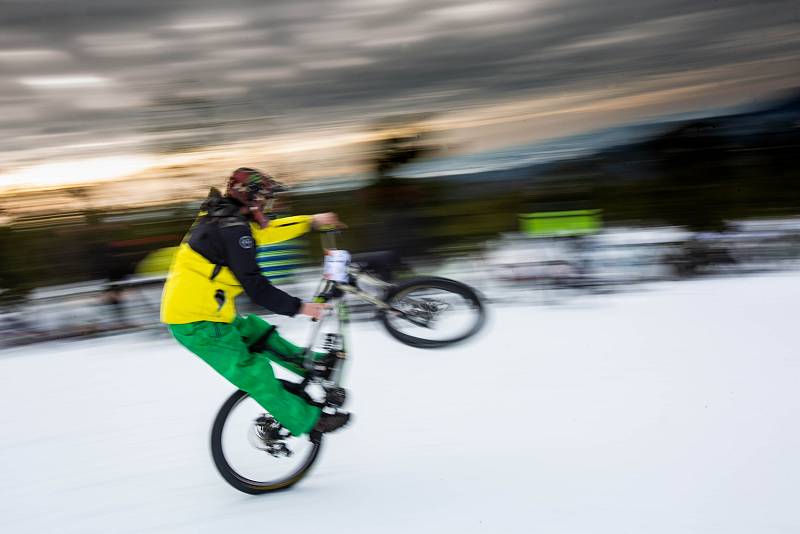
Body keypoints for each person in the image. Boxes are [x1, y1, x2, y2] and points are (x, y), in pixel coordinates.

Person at [161, 167, 350, 437]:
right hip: (195, 323)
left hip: (209, 315)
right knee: (254, 373)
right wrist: (301, 307)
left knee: (258, 333)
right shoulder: (234, 230)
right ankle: (309, 421)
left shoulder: (224, 216)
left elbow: (268, 232)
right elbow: (257, 288)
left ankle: (316, 366)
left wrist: (312, 221)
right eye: (264, 198)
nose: (268, 204)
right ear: (249, 198)